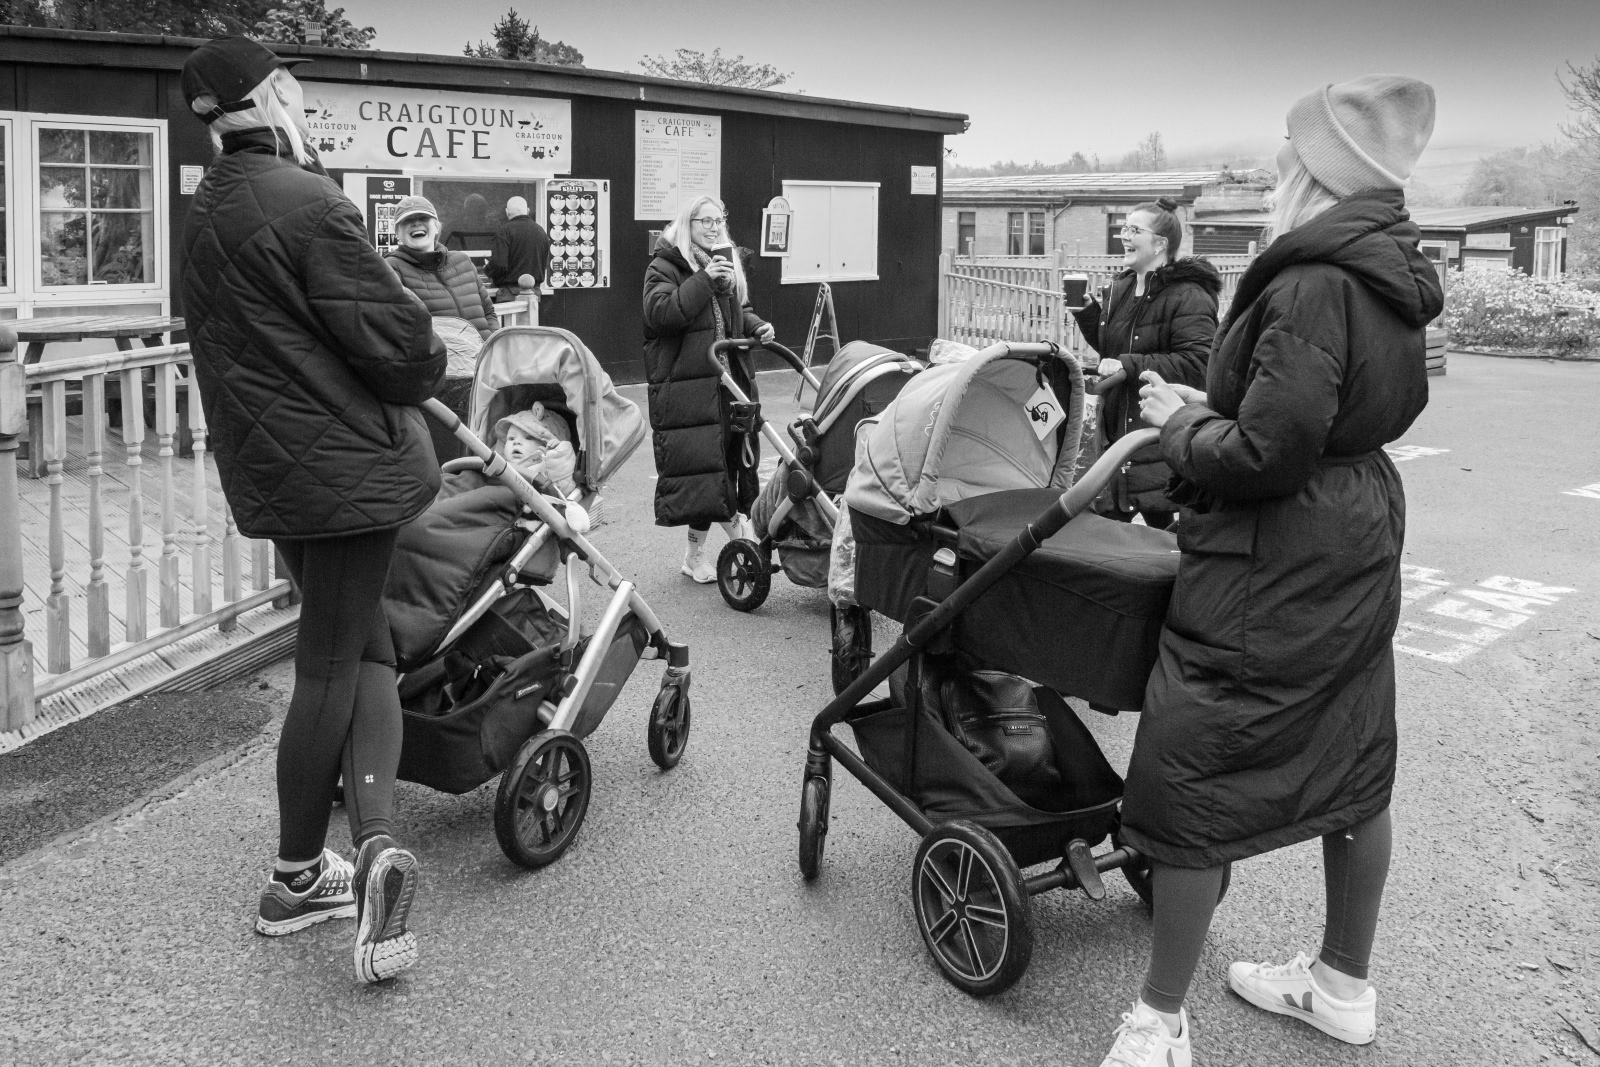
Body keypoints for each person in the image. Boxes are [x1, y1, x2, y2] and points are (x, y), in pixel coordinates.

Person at [1093, 75, 1442, 1067]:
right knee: (1352, 752)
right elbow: (1336, 414)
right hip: (1357, 525)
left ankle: (1158, 1021)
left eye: (1292, 150)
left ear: (1318, 172)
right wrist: (1215, 409)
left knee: (1191, 764)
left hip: (1273, 551)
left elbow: (1266, 451)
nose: (1278, 163)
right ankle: (1341, 983)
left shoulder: (1308, 282)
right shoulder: (1389, 270)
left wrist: (1181, 423)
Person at [179, 36, 444, 985]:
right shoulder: (309, 202)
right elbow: (406, 352)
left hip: (277, 473)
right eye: (292, 88)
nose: (303, 103)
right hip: (347, 470)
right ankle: (302, 875)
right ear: (270, 97)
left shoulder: (205, 211)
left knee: (364, 646)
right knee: (333, 662)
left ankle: (362, 854)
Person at [642, 195, 775, 582]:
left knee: (722, 469)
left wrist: (756, 326)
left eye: (719, 220)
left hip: (728, 382)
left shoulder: (725, 263)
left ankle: (694, 556)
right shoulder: (664, 265)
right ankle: (747, 544)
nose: (714, 228)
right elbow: (661, 314)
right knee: (710, 473)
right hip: (690, 387)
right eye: (705, 221)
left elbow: (737, 312)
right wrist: (704, 279)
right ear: (688, 224)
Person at [1072, 197, 1220, 530]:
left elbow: (1198, 362)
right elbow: (1114, 353)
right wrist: (1089, 315)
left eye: (1135, 230)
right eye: (1124, 227)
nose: (1124, 235)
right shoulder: (1121, 288)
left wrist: (1129, 365)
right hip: (1116, 427)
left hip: (1155, 431)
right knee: (1124, 523)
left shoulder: (1188, 295)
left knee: (1151, 522)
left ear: (1160, 244)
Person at [385, 194, 497, 463]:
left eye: (422, 219)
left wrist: (494, 345)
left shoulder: (462, 261)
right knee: (450, 455)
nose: (416, 224)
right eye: (408, 221)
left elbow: (489, 312)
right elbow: (397, 327)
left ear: (436, 226)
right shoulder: (391, 269)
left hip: (484, 372)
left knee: (489, 448)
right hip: (440, 382)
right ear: (398, 233)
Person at [487, 195, 552, 305]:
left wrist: (488, 270)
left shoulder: (504, 232)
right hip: (534, 294)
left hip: (509, 293)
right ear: (528, 211)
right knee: (531, 317)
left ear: (507, 212)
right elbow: (544, 263)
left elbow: (499, 265)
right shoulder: (541, 232)